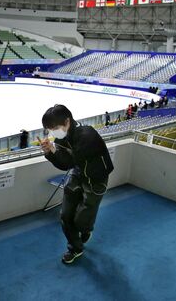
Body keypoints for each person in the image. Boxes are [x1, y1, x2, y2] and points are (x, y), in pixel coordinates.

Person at [38, 105, 114, 265]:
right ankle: (75, 248)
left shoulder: (87, 135)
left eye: (54, 128)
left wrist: (53, 151)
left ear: (67, 122)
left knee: (80, 221)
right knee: (66, 216)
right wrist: (49, 153)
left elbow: (70, 161)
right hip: (78, 173)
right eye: (49, 129)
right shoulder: (61, 139)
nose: (52, 132)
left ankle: (86, 229)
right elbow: (65, 165)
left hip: (96, 179)